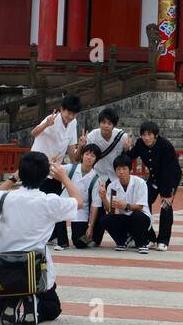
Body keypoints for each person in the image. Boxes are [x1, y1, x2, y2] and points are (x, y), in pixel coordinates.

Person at [0, 151, 82, 325]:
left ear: (20, 172)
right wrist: (64, 178)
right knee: (52, 309)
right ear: (45, 175)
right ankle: (35, 306)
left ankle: (14, 300)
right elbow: (79, 201)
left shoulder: (4, 199)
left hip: (6, 267)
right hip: (37, 268)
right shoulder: (49, 202)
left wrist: (13, 178)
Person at [28, 94, 81, 251]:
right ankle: (45, 237)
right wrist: (46, 125)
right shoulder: (52, 119)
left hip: (55, 168)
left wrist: (82, 147)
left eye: (73, 114)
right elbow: (34, 133)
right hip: (38, 166)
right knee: (38, 203)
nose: (70, 116)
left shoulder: (73, 123)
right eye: (68, 113)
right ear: (61, 109)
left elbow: (72, 154)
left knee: (55, 202)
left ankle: (60, 239)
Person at [130, 120, 182, 252]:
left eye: (149, 134)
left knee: (165, 206)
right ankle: (150, 238)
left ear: (156, 135)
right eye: (144, 134)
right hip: (154, 179)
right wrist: (126, 148)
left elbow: (171, 170)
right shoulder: (140, 144)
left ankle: (163, 240)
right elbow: (130, 157)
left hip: (170, 178)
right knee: (143, 202)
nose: (146, 138)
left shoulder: (165, 145)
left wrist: (169, 193)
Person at [99, 155, 152, 254]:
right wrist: (103, 198)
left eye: (124, 168)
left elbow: (140, 206)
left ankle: (142, 244)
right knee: (105, 219)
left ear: (130, 170)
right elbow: (111, 210)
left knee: (137, 215)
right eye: (118, 169)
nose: (121, 172)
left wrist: (125, 206)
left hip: (141, 217)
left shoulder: (140, 183)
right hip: (124, 217)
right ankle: (121, 242)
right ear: (115, 171)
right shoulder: (112, 186)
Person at [80, 107, 132, 196]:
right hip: (97, 176)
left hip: (115, 178)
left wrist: (127, 149)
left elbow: (127, 158)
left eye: (109, 123)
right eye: (103, 122)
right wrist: (82, 145)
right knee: (97, 204)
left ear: (114, 125)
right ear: (99, 123)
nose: (106, 126)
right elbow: (86, 155)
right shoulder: (92, 136)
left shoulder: (122, 136)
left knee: (113, 204)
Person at [66, 143, 102, 248]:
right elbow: (54, 170)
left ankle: (89, 236)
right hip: (65, 204)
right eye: (87, 154)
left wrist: (90, 227)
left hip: (81, 209)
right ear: (82, 155)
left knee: (80, 243)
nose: (89, 157)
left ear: (96, 160)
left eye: (93, 156)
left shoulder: (96, 179)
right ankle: (61, 240)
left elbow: (95, 205)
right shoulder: (70, 168)